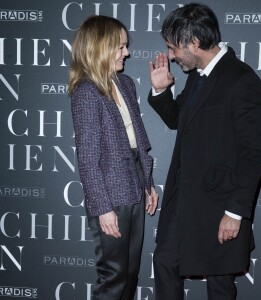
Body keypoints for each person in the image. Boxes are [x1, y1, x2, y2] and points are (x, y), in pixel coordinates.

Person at [148, 3, 261, 300]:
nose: (172, 56)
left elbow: (254, 154)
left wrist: (235, 212)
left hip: (220, 203)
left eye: (173, 48)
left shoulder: (242, 80)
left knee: (219, 285)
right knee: (164, 263)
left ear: (194, 43)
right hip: (184, 200)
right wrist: (162, 92)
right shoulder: (196, 77)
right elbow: (179, 120)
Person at [68, 15, 158, 300]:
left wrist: (148, 184)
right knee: (114, 277)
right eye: (120, 47)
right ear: (100, 48)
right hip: (109, 194)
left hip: (134, 185)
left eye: (125, 46)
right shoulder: (86, 93)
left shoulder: (126, 84)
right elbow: (88, 158)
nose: (127, 53)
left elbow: (138, 142)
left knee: (131, 274)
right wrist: (102, 208)